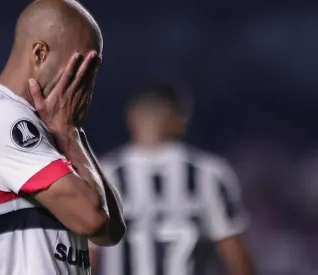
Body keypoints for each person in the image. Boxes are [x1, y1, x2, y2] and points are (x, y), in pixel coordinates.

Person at [0, 1, 125, 275]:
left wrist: (72, 135)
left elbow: (111, 231)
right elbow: (93, 221)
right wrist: (68, 133)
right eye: (81, 65)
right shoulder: (1, 117)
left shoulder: (45, 125)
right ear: (39, 53)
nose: (87, 83)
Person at [90, 83, 254, 275]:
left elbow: (86, 257)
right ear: (181, 120)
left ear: (131, 117)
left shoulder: (103, 174)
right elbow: (236, 257)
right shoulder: (210, 173)